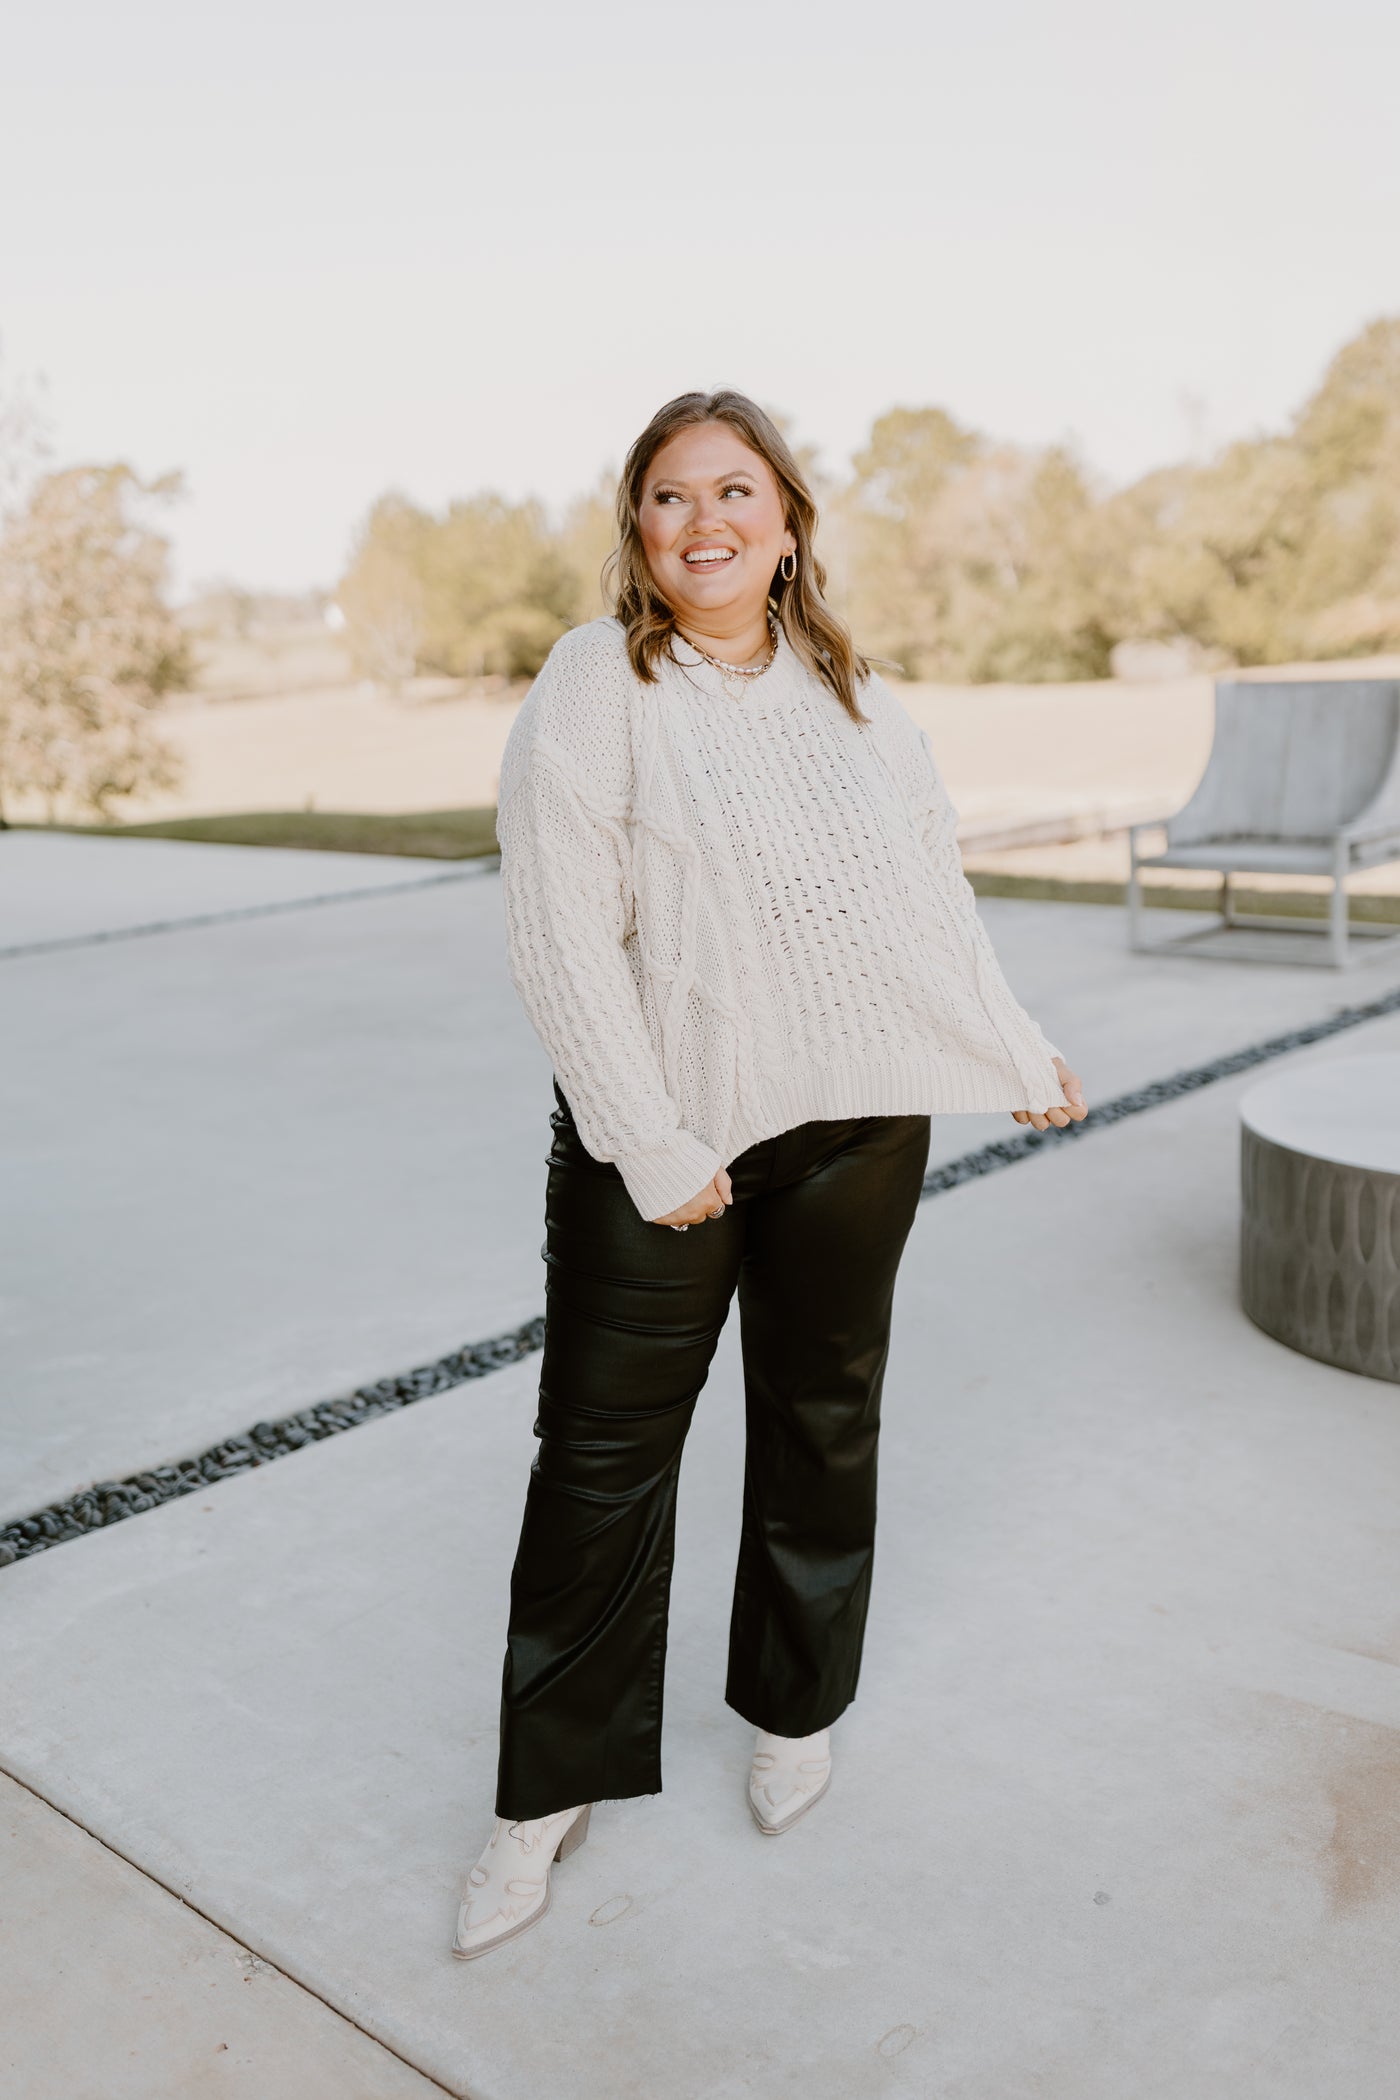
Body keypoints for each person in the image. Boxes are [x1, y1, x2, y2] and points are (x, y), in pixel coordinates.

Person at [452, 389, 1087, 1959]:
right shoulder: (600, 681)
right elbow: (557, 929)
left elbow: (925, 903)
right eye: (673, 498)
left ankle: (796, 1707)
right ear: (642, 533)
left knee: (824, 1417)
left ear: (789, 522)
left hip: (861, 1128)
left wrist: (1009, 1042)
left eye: (738, 491)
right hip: (663, 1137)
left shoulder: (857, 692)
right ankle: (547, 1790)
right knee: (600, 1460)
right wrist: (653, 1139)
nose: (707, 520)